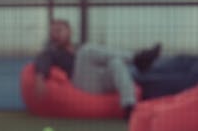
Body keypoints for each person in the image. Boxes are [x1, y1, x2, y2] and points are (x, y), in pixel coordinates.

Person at [33, 18, 162, 118]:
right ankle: (136, 58)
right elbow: (42, 61)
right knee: (86, 51)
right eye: (53, 32)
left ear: (70, 31)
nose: (55, 35)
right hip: (81, 84)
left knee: (115, 62)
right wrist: (40, 77)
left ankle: (129, 107)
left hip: (98, 81)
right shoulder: (52, 52)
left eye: (59, 30)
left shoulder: (78, 47)